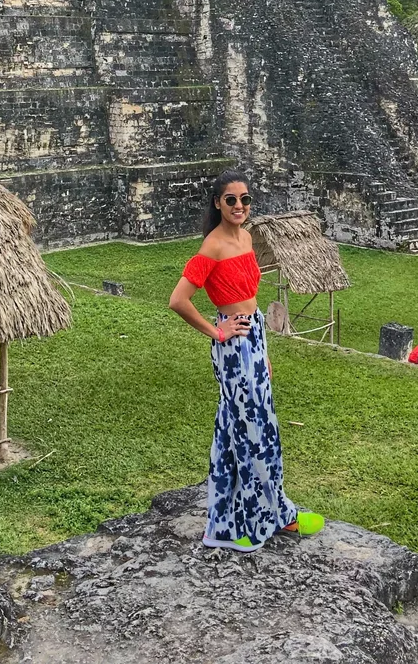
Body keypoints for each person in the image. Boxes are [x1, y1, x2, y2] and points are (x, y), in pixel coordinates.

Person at [169, 169, 325, 553]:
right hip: (234, 343)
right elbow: (178, 300)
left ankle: (253, 516)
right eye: (231, 200)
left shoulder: (246, 237)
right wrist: (217, 331)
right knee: (249, 432)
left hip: (253, 336)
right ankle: (252, 520)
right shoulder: (213, 246)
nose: (240, 206)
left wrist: (265, 351)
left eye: (246, 199)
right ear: (217, 203)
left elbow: (253, 302)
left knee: (248, 429)